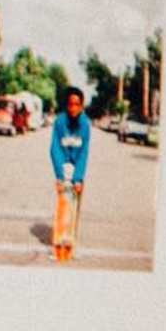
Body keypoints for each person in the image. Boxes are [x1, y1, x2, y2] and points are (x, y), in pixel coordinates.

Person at [45, 82, 93, 262]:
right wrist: (59, 175)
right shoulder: (59, 122)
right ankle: (57, 246)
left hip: (76, 169)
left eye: (77, 104)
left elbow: (84, 152)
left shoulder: (85, 124)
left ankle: (71, 247)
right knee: (62, 208)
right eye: (71, 104)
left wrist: (78, 178)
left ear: (81, 106)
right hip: (63, 167)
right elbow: (54, 148)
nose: (74, 108)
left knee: (74, 209)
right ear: (67, 105)